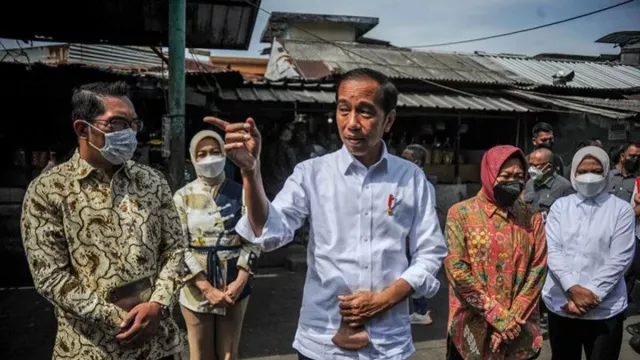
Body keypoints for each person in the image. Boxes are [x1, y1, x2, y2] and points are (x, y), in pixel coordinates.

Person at [206, 68, 447, 359]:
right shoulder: (312, 173)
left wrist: (385, 299)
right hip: (322, 340)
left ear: (389, 120)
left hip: (388, 343)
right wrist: (250, 171)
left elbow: (430, 252)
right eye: (344, 110)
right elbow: (269, 230)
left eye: (366, 112)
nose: (352, 123)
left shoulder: (410, 178)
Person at [20, 82, 185, 360]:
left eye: (134, 123)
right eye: (117, 123)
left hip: (158, 345)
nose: (129, 133)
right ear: (82, 129)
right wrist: (120, 318)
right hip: (89, 349)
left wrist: (158, 304)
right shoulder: (48, 190)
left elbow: (175, 249)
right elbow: (49, 275)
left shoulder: (152, 181)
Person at [445, 145, 548, 360]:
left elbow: (538, 269)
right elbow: (456, 269)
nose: (514, 182)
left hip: (519, 330)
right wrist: (498, 317)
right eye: (505, 176)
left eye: (519, 176)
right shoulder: (461, 214)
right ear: (489, 173)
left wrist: (511, 321)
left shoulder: (531, 216)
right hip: (470, 331)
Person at [174, 130, 260, 360]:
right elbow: (178, 248)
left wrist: (241, 280)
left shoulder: (242, 192)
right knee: (200, 354)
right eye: (202, 154)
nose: (209, 158)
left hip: (234, 283)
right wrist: (206, 288)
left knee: (229, 353)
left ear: (225, 153)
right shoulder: (182, 196)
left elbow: (254, 239)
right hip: (195, 283)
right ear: (193, 158)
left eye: (215, 152)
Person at [543, 146, 635, 360]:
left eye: (596, 170)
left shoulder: (620, 209)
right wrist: (572, 289)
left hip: (605, 308)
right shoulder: (560, 207)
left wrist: (591, 295)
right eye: (583, 171)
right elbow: (552, 250)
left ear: (606, 172)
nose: (589, 176)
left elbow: (620, 259)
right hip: (563, 304)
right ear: (573, 172)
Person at [401, 144, 433, 326]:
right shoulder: (406, 181)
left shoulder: (424, 185)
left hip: (414, 239)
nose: (401, 162)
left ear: (417, 162)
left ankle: (421, 311)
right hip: (404, 237)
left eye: (406, 159)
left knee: (415, 274)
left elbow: (426, 219)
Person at [524, 147, 574, 222]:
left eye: (535, 165)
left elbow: (570, 217)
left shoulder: (564, 187)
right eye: (530, 165)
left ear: (548, 167)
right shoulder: (529, 183)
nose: (531, 169)